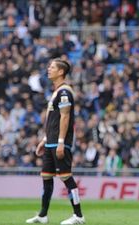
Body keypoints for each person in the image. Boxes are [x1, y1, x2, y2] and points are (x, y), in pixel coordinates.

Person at [26, 59, 85, 224]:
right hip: (50, 142)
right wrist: (44, 140)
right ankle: (43, 215)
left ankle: (79, 216)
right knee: (46, 177)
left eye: (52, 67)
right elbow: (53, 120)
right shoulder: (56, 91)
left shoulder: (65, 91)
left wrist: (60, 142)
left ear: (61, 72)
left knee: (66, 177)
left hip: (60, 142)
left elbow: (65, 117)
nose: (48, 69)